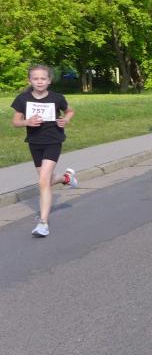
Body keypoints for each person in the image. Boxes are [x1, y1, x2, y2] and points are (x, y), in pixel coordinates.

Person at [11, 65, 78, 237]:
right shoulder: (23, 99)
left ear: (49, 81)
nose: (39, 81)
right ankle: (66, 178)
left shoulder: (57, 98)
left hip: (53, 141)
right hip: (34, 143)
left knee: (43, 180)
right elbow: (16, 122)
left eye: (43, 78)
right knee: (46, 181)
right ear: (30, 80)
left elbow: (70, 111)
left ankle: (43, 223)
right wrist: (27, 122)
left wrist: (66, 120)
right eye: (35, 78)